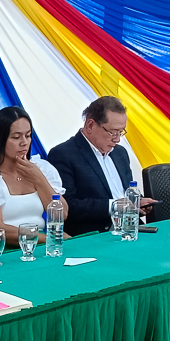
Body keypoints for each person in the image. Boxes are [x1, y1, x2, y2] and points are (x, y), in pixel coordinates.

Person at [45, 96, 155, 237]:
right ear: (90, 125)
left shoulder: (120, 153)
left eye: (121, 132)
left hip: (133, 229)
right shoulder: (63, 154)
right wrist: (115, 206)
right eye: (112, 132)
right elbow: (68, 206)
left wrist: (139, 202)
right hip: (97, 234)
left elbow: (127, 191)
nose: (117, 139)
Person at [0, 106, 66, 245]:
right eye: (16, 137)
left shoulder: (41, 168)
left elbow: (62, 213)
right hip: (6, 251)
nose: (24, 142)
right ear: (0, 140)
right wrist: (44, 238)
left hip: (42, 246)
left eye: (28, 135)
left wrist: (39, 179)